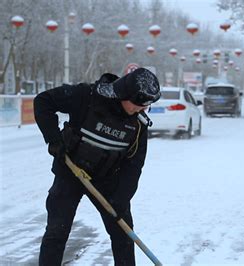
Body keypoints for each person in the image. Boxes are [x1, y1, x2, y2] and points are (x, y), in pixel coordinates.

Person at [34, 68, 161, 265]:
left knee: (123, 235)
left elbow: (134, 165)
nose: (142, 109)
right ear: (124, 95)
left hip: (107, 180)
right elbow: (43, 101)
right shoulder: (86, 96)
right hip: (70, 172)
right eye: (138, 104)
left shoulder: (138, 124)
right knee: (56, 233)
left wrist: (121, 199)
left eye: (146, 105)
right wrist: (54, 139)